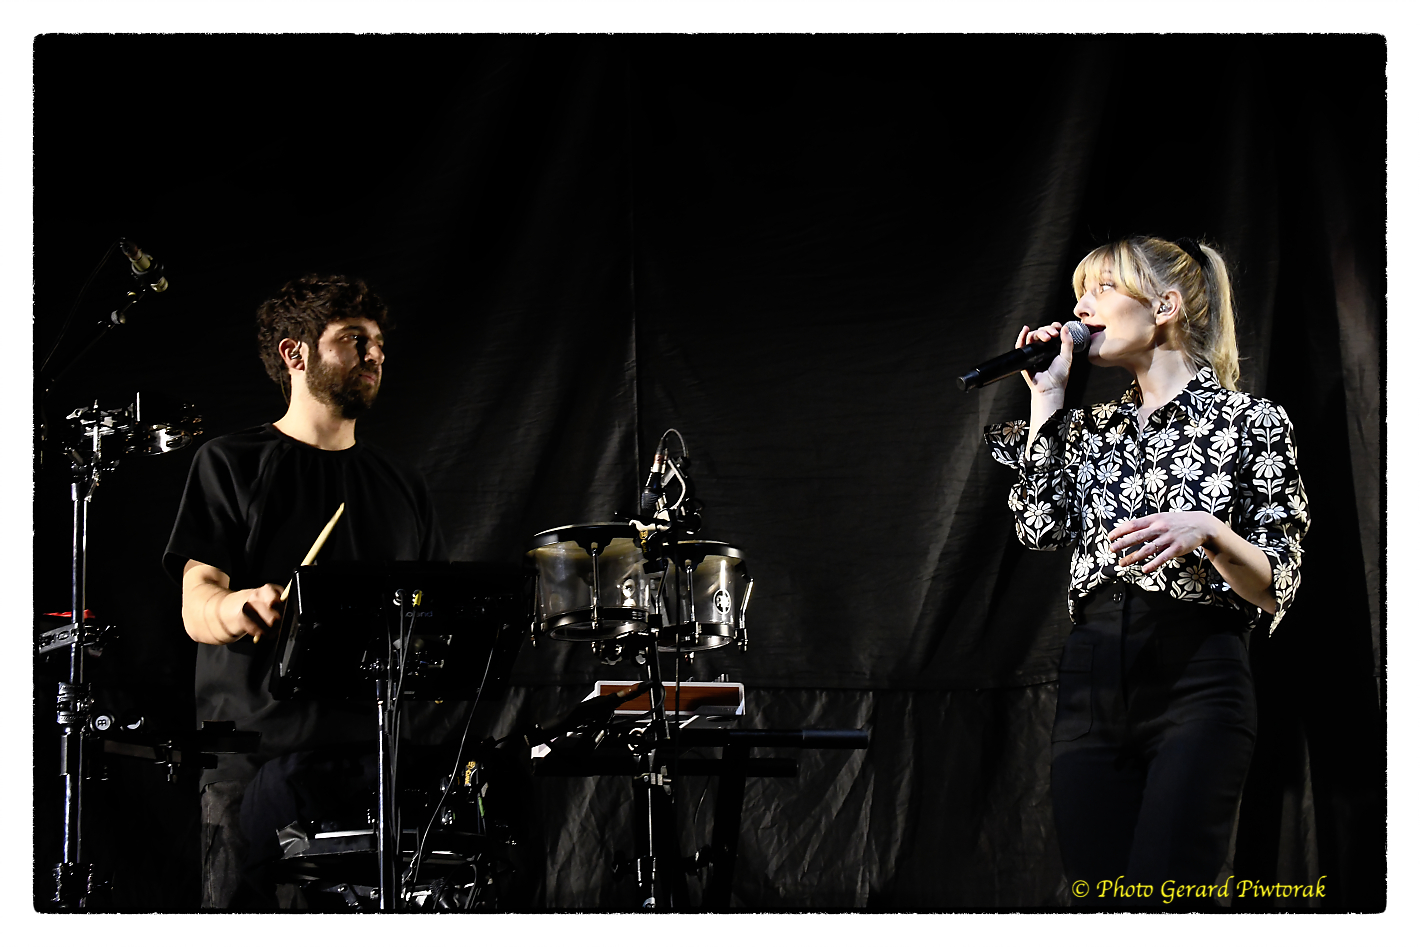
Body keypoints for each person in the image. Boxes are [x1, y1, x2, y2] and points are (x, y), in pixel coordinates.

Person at [982, 237, 1310, 908]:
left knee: (1166, 897)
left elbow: (1276, 584)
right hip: (1094, 678)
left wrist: (1210, 531)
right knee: (1101, 901)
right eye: (1080, 292)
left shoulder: (1249, 423)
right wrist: (1048, 397)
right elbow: (1039, 528)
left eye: (1102, 289)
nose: (1081, 307)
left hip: (1197, 676)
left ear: (1164, 307)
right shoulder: (1090, 430)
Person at [164, 274, 446, 909]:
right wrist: (240, 607)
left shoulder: (403, 485)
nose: (375, 354)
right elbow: (197, 602)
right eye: (353, 339)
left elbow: (427, 615)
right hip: (253, 761)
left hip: (372, 763)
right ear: (295, 353)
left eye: (378, 343)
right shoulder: (230, 462)